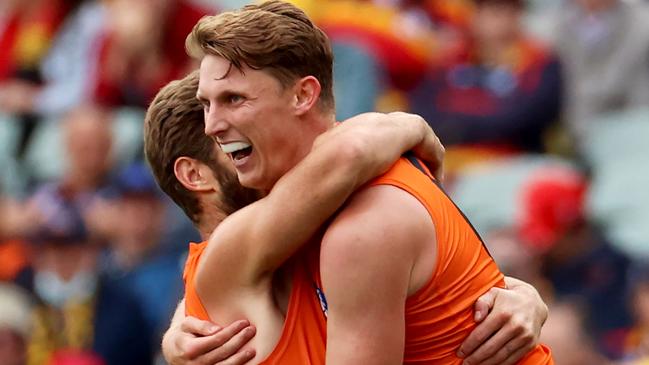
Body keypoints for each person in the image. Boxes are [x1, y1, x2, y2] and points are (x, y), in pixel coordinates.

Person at [187, 1, 552, 364]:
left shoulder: (363, 227)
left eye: (234, 99)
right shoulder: (282, 218)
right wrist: (407, 125)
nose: (212, 125)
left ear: (303, 95)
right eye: (207, 104)